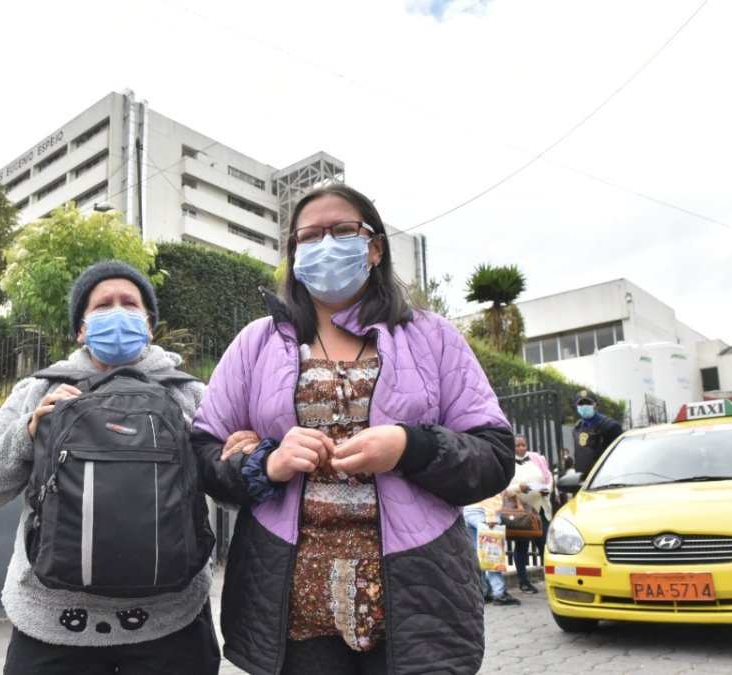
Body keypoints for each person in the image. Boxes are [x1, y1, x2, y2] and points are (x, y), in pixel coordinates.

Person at [191, 185, 514, 675]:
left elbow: (493, 455)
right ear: (294, 253)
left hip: (417, 597)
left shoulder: (433, 337)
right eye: (310, 235)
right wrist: (266, 463)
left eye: (343, 231)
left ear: (375, 247)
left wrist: (412, 446)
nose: (326, 244)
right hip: (290, 603)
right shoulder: (257, 343)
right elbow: (202, 454)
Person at [0, 261, 224, 675]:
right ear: (81, 328)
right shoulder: (39, 389)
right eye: (102, 306)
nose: (117, 313)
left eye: (130, 304)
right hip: (51, 622)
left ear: (149, 325)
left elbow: (229, 486)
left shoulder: (189, 393)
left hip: (172, 620)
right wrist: (27, 433)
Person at [506, 434, 553, 595]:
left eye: (523, 445)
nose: (520, 448)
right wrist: (520, 487)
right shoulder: (507, 464)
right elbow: (504, 489)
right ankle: (524, 581)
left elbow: (548, 477)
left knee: (545, 546)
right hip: (522, 513)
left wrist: (547, 489)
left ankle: (553, 580)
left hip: (541, 509)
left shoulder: (537, 459)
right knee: (522, 547)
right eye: (517, 446)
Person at [462, 494, 520, 606]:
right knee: (493, 555)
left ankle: (482, 592)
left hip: (468, 512)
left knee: (477, 556)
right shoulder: (491, 475)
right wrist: (491, 515)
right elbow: (489, 491)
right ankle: (499, 594)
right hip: (483, 513)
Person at [572, 389, 623, 479]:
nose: (584, 406)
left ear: (595, 405)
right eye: (581, 404)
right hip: (581, 479)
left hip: (605, 479)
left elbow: (618, 457)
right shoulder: (577, 427)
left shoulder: (611, 426)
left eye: (588, 403)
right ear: (576, 406)